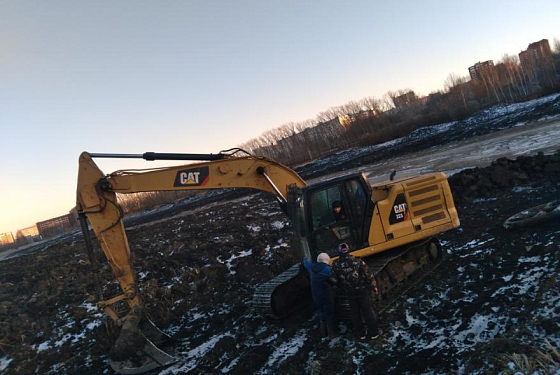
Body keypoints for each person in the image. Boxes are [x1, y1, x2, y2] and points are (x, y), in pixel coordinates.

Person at [330, 242, 379, 341]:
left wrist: (341, 288)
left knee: (355, 314)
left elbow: (334, 280)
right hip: (362, 291)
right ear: (348, 250)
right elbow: (368, 274)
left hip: (349, 293)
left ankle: (361, 334)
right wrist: (373, 286)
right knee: (368, 312)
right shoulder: (358, 261)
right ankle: (374, 333)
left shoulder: (336, 265)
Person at [303, 253, 336, 338]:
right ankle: (331, 333)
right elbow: (335, 282)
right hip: (327, 297)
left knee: (321, 312)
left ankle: (323, 332)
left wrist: (305, 258)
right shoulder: (327, 270)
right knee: (329, 314)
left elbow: (306, 263)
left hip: (316, 296)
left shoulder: (312, 268)